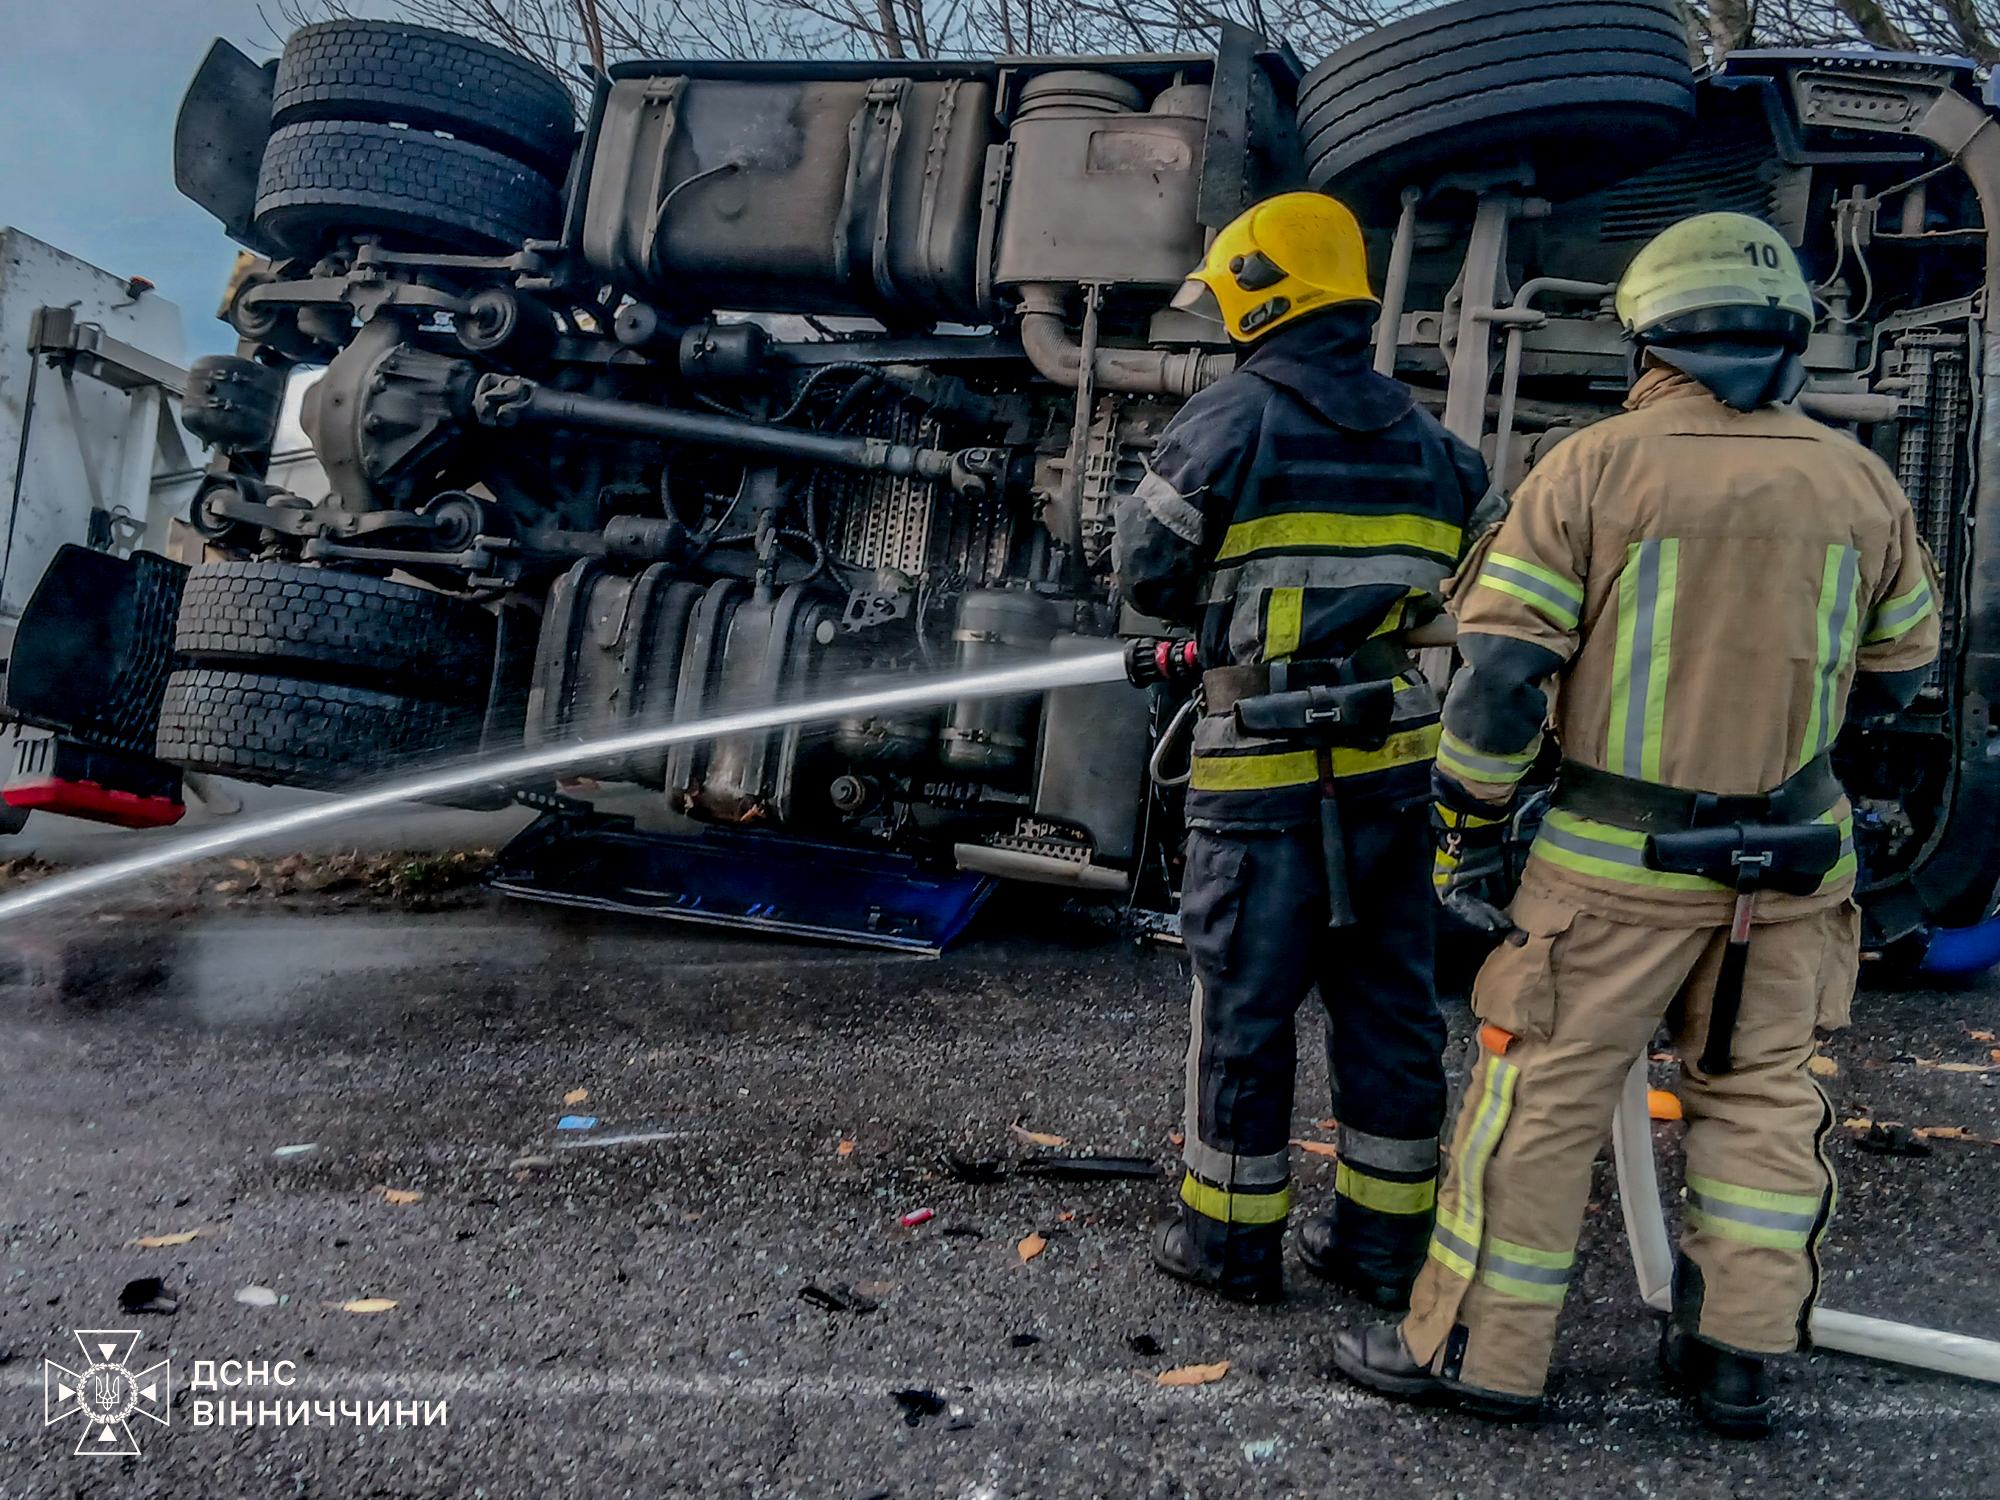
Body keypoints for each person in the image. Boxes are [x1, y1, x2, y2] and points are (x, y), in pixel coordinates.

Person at [1332, 211, 1941, 1436]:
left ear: (1648, 335)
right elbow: (1896, 674)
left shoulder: (1590, 467)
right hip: (1795, 867)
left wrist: (1469, 815)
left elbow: (1500, 672)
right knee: (1762, 1103)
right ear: (1786, 340)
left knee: (1537, 1103)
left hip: (1612, 868)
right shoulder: (1858, 479)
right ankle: (1732, 1359)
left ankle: (1481, 1360)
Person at [1114, 191, 1489, 1307]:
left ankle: (1228, 1249)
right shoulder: (1438, 448)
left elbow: (1143, 574)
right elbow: (1486, 581)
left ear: (1255, 292)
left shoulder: (1227, 421)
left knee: (1242, 1013)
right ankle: (1380, 1252)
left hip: (1260, 780)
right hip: (1386, 775)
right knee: (1387, 1014)